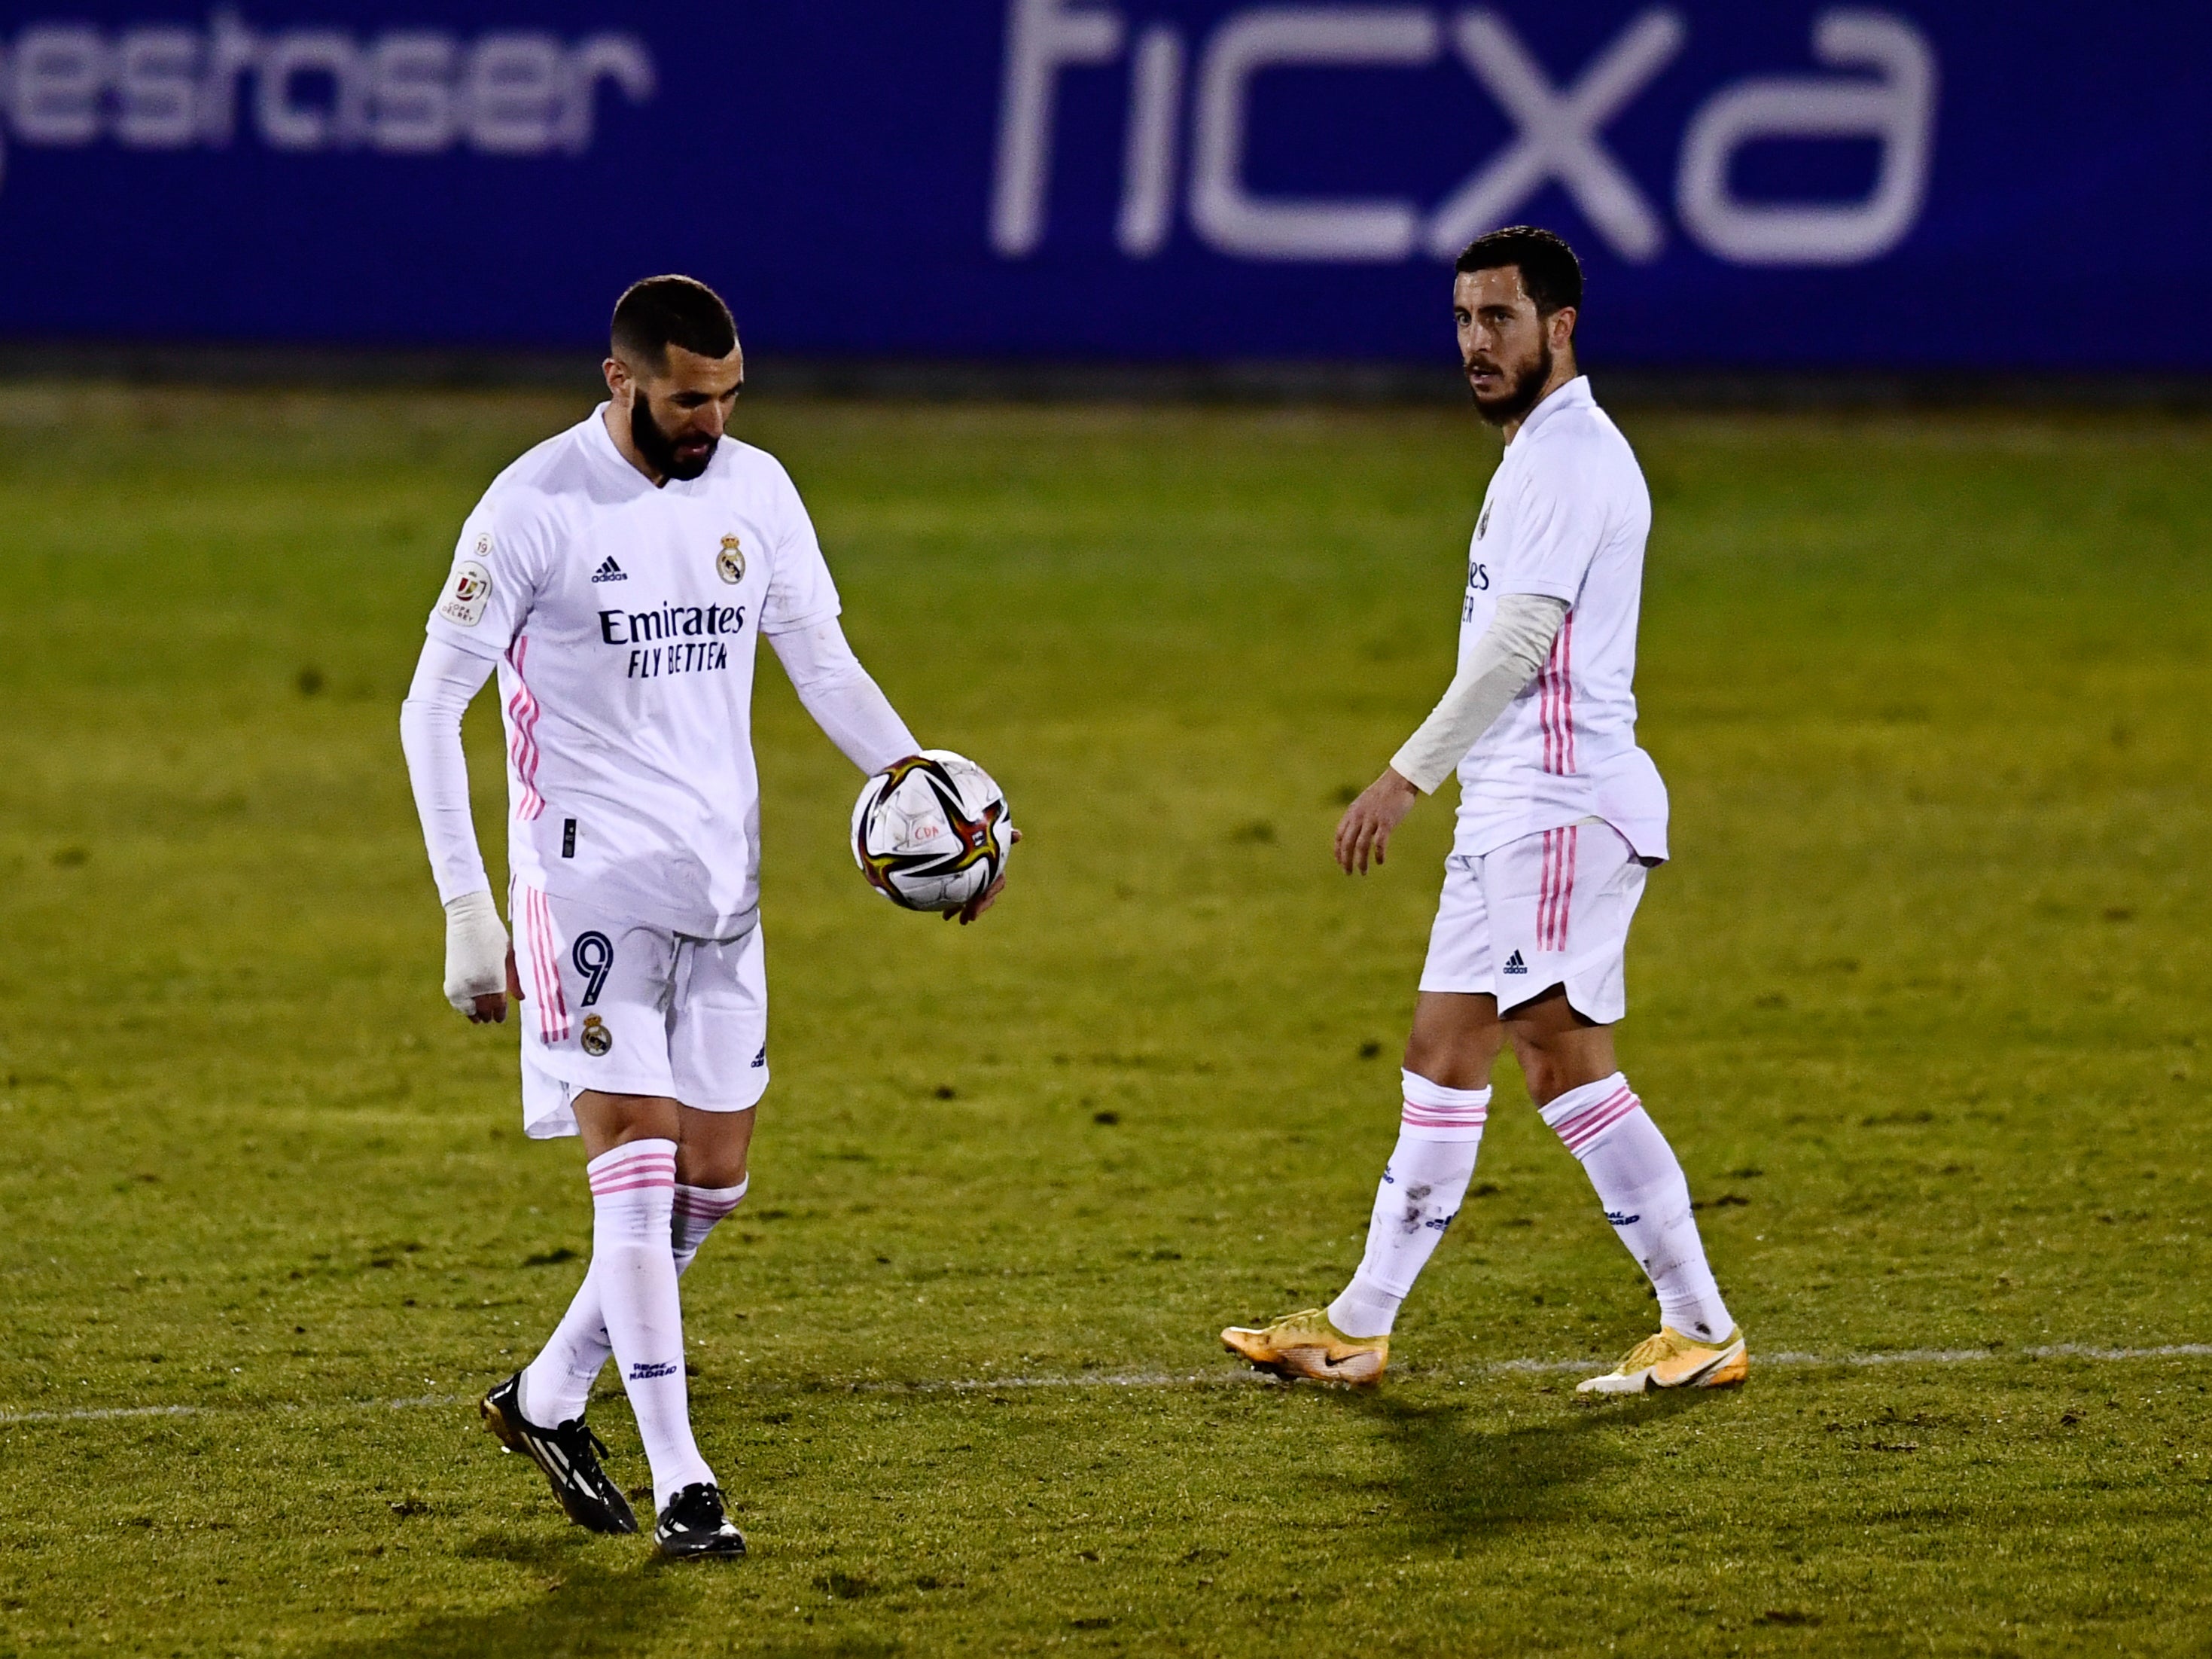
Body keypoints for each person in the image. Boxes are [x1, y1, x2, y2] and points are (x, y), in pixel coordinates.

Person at [399, 275, 1008, 1558]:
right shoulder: (534, 508)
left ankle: (551, 1394)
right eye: (688, 399)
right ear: (620, 380)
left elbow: (824, 664)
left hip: (722, 888)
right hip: (586, 884)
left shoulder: (756, 490)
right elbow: (427, 707)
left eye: (730, 397)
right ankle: (686, 1482)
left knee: (712, 1181)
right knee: (632, 1172)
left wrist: (928, 799)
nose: (712, 421)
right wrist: (468, 908)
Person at [1221, 227, 1743, 1396]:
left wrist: (1403, 775)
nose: (1473, 343)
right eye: (1461, 320)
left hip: (1559, 807)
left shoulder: (1566, 460)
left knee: (1558, 1059)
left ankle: (1700, 1324)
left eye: (1497, 319)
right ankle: (1358, 1323)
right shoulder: (1536, 455)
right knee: (1442, 1055)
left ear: (1559, 327)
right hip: (1510, 810)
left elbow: (1518, 643)